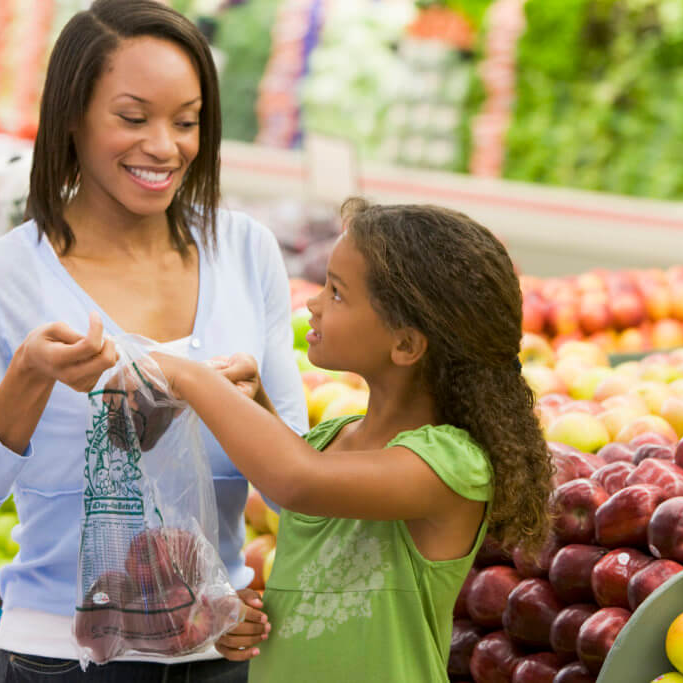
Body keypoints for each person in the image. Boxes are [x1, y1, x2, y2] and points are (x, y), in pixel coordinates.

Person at [0, 1, 307, 681]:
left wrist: (252, 408)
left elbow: (297, 499)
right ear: (71, 115)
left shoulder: (246, 251)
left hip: (217, 659)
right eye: (133, 118)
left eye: (187, 122)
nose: (165, 146)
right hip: (60, 661)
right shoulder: (1, 275)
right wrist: (27, 379)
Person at [150, 198, 554, 682]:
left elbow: (299, 481)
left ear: (405, 345)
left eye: (337, 293)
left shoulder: (450, 465)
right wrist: (240, 618)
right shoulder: (331, 437)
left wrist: (192, 378)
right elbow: (292, 491)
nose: (314, 304)